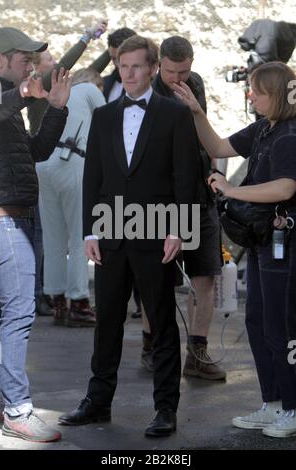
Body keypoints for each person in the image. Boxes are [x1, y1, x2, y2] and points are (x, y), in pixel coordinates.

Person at [58, 35, 201, 437]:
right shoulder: (103, 117)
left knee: (161, 321)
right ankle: (97, 401)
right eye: (123, 66)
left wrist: (179, 229)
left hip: (157, 232)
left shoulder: (174, 115)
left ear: (153, 68)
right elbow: (94, 177)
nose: (130, 73)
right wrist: (89, 230)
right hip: (109, 232)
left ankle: (165, 408)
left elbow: (185, 177)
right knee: (107, 320)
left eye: (137, 66)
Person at [174, 61, 296, 439]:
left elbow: (285, 188)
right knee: (257, 322)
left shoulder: (289, 135)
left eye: (257, 90)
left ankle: (292, 408)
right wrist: (196, 111)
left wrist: (231, 189)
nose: (250, 95)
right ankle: (273, 403)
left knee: (283, 326)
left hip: (286, 245)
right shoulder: (264, 128)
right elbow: (217, 146)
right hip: (263, 244)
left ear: (275, 95)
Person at [0, 26, 71, 442]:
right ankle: (19, 410)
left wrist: (57, 108)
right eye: (24, 58)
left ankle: (5, 404)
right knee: (18, 316)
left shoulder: (10, 105)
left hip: (12, 220)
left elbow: (36, 151)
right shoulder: (3, 99)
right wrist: (25, 94)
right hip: (5, 223)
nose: (31, 65)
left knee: (4, 317)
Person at [149, 35, 225, 381]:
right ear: (159, 64)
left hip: (199, 191)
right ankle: (153, 347)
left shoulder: (194, 83)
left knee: (205, 274)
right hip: (162, 198)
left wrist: (214, 169)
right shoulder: (146, 92)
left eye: (184, 71)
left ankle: (197, 352)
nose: (179, 79)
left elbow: (203, 130)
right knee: (156, 279)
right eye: (171, 72)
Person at [30, 20, 108, 319]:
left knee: (53, 237)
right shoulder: (85, 90)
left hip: (43, 167)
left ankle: (56, 298)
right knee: (80, 236)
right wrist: (87, 37)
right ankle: (78, 301)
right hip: (73, 165)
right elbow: (108, 124)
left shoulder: (38, 95)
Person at [102, 27, 136, 102]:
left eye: (121, 59)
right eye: (113, 58)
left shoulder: (152, 85)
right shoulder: (104, 83)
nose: (118, 64)